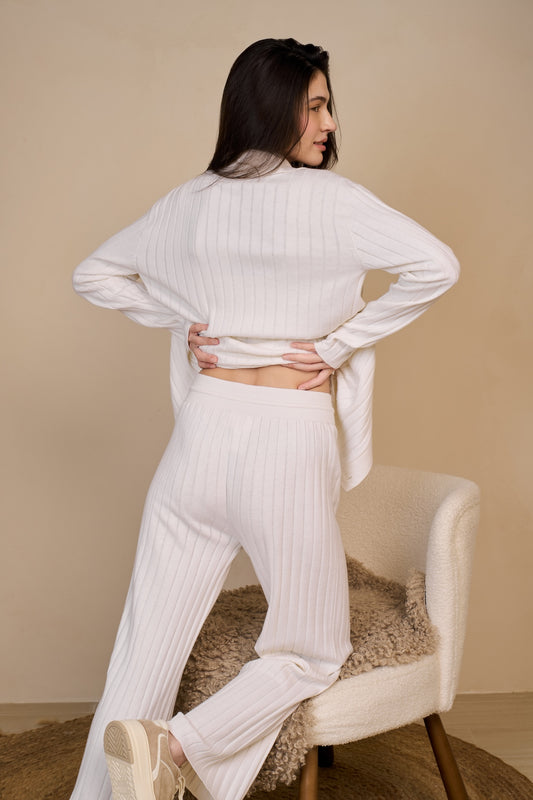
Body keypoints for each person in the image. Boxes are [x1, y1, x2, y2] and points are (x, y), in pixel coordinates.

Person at [70, 38, 459, 800]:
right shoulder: (335, 203)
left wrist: (179, 316)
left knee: (143, 652)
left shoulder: (188, 202)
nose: (328, 122)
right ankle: (177, 747)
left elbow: (94, 273)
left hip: (200, 440)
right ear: (274, 107)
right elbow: (436, 266)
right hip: (284, 435)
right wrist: (340, 342)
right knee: (311, 648)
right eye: (314, 105)